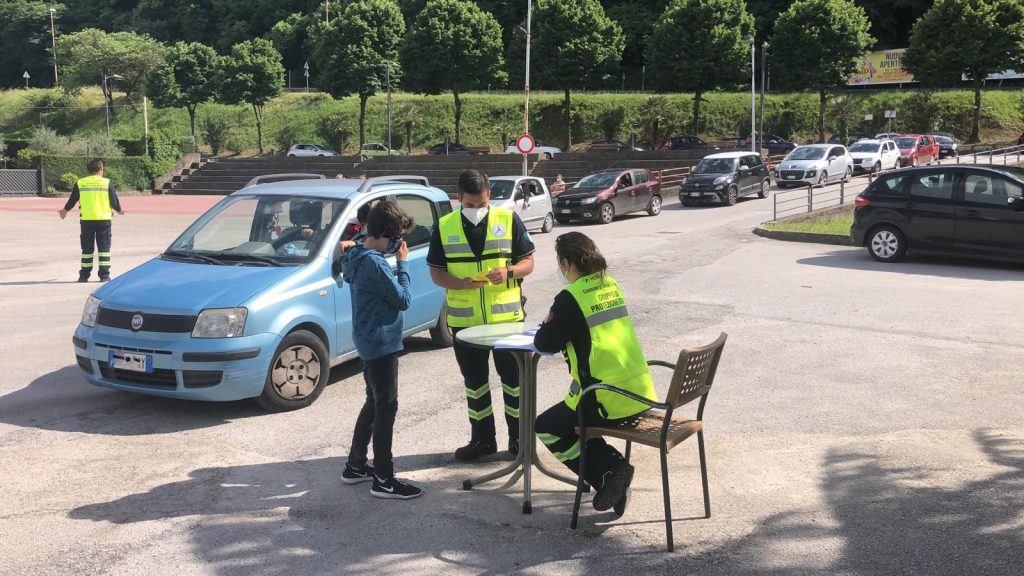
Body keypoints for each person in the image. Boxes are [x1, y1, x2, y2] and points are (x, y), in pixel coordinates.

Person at [533, 232, 657, 516]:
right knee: (571, 420)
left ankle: (609, 470)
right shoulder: (609, 284)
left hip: (604, 400)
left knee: (547, 426)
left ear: (565, 264)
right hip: (640, 391)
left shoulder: (570, 297)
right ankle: (610, 476)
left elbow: (544, 343)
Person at [428, 169, 536, 461]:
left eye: (483, 204)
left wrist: (509, 272)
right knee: (475, 386)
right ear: (459, 198)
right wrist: (461, 283)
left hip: (507, 322)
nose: (477, 209)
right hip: (465, 324)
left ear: (489, 197)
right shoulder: (444, 226)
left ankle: (518, 440)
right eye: (470, 205)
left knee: (514, 384)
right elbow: (437, 274)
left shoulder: (507, 219)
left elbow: (528, 262)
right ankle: (482, 440)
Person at [339, 200, 423, 500]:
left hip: (367, 338)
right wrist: (403, 264)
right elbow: (403, 299)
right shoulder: (374, 263)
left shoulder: (358, 253)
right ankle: (384, 478)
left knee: (373, 403)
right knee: (386, 407)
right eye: (396, 238)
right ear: (386, 234)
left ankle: (355, 465)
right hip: (381, 342)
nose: (397, 244)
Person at [58, 159, 125, 282]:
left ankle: (84, 276)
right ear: (100, 169)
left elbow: (73, 199)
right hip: (104, 220)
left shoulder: (81, 183)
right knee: (104, 249)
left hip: (87, 220)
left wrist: (65, 210)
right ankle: (104, 276)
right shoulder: (106, 183)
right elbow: (114, 201)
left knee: (87, 249)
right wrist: (119, 210)